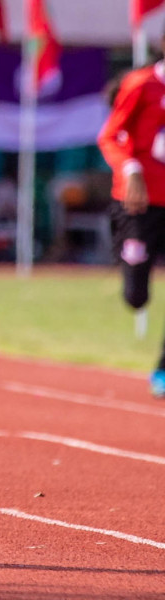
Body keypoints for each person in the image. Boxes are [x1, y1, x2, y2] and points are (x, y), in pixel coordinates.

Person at [96, 48, 165, 397]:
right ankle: (128, 259)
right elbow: (109, 136)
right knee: (136, 297)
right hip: (139, 202)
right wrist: (131, 168)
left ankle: (163, 369)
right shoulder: (141, 85)